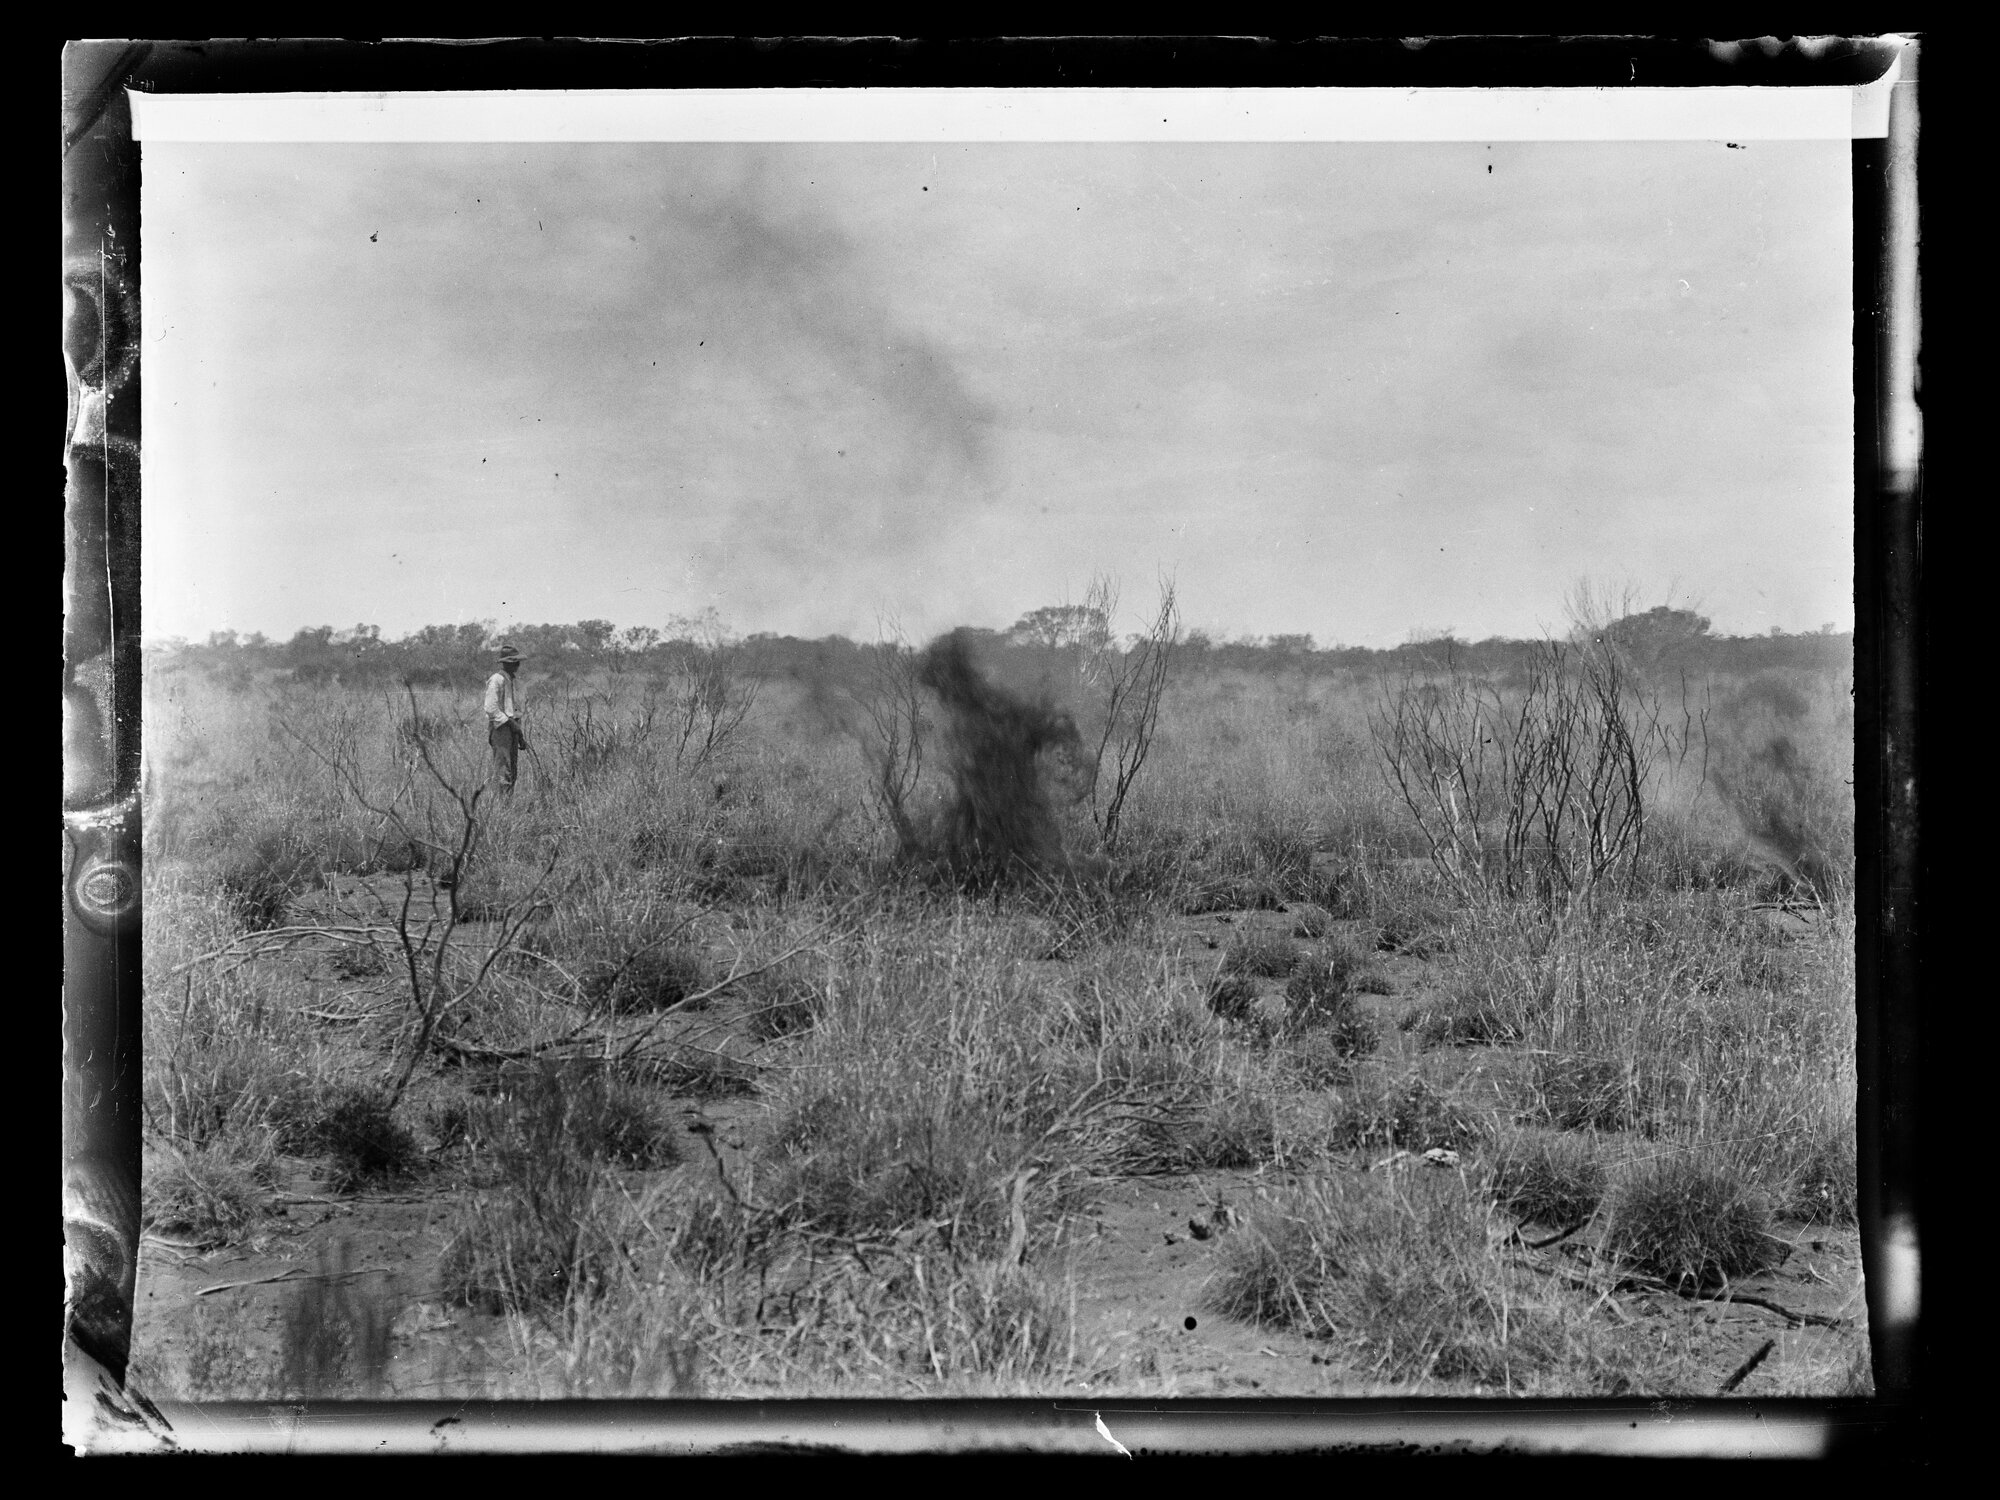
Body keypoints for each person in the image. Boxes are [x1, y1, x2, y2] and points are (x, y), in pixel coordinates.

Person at [483, 644, 528, 793]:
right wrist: (510, 723)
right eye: (513, 661)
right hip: (501, 728)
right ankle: (502, 809)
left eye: (517, 661)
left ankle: (508, 806)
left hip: (512, 728)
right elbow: (491, 708)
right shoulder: (497, 680)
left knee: (512, 771)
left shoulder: (513, 681)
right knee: (503, 772)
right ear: (506, 663)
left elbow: (514, 709)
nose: (517, 665)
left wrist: (519, 733)